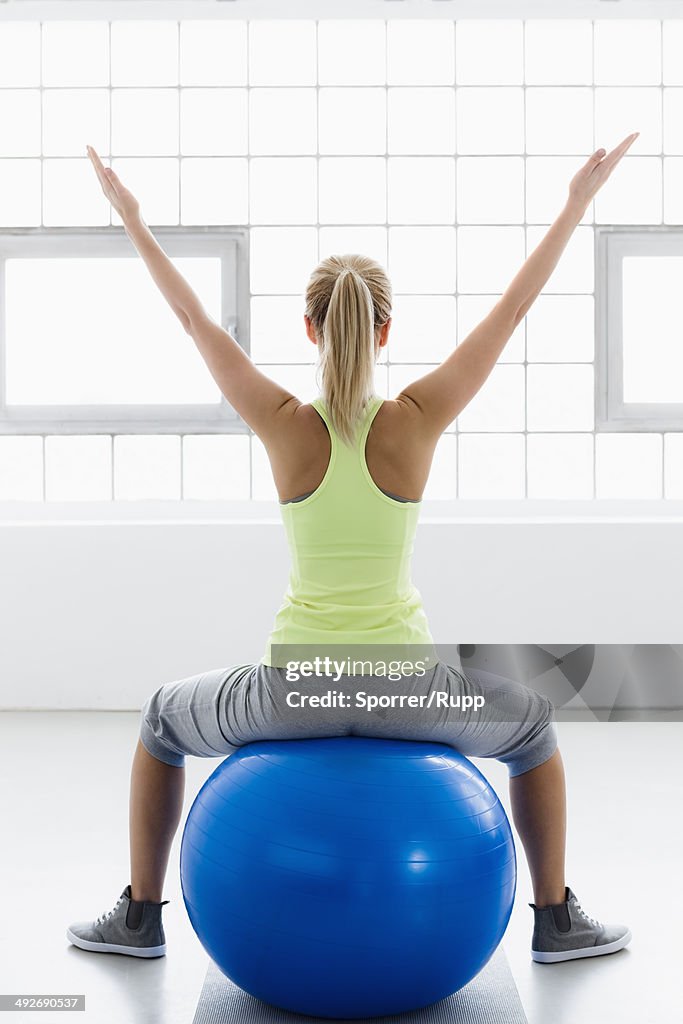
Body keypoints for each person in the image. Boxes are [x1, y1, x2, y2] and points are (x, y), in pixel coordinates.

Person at [66, 137, 637, 966]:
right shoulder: (415, 417)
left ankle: (140, 921)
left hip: (291, 690)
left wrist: (132, 221)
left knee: (161, 718)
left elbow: (192, 320)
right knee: (536, 723)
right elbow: (511, 313)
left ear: (307, 326)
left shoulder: (283, 422)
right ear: (385, 327)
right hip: (407, 689)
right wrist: (573, 205)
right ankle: (554, 923)